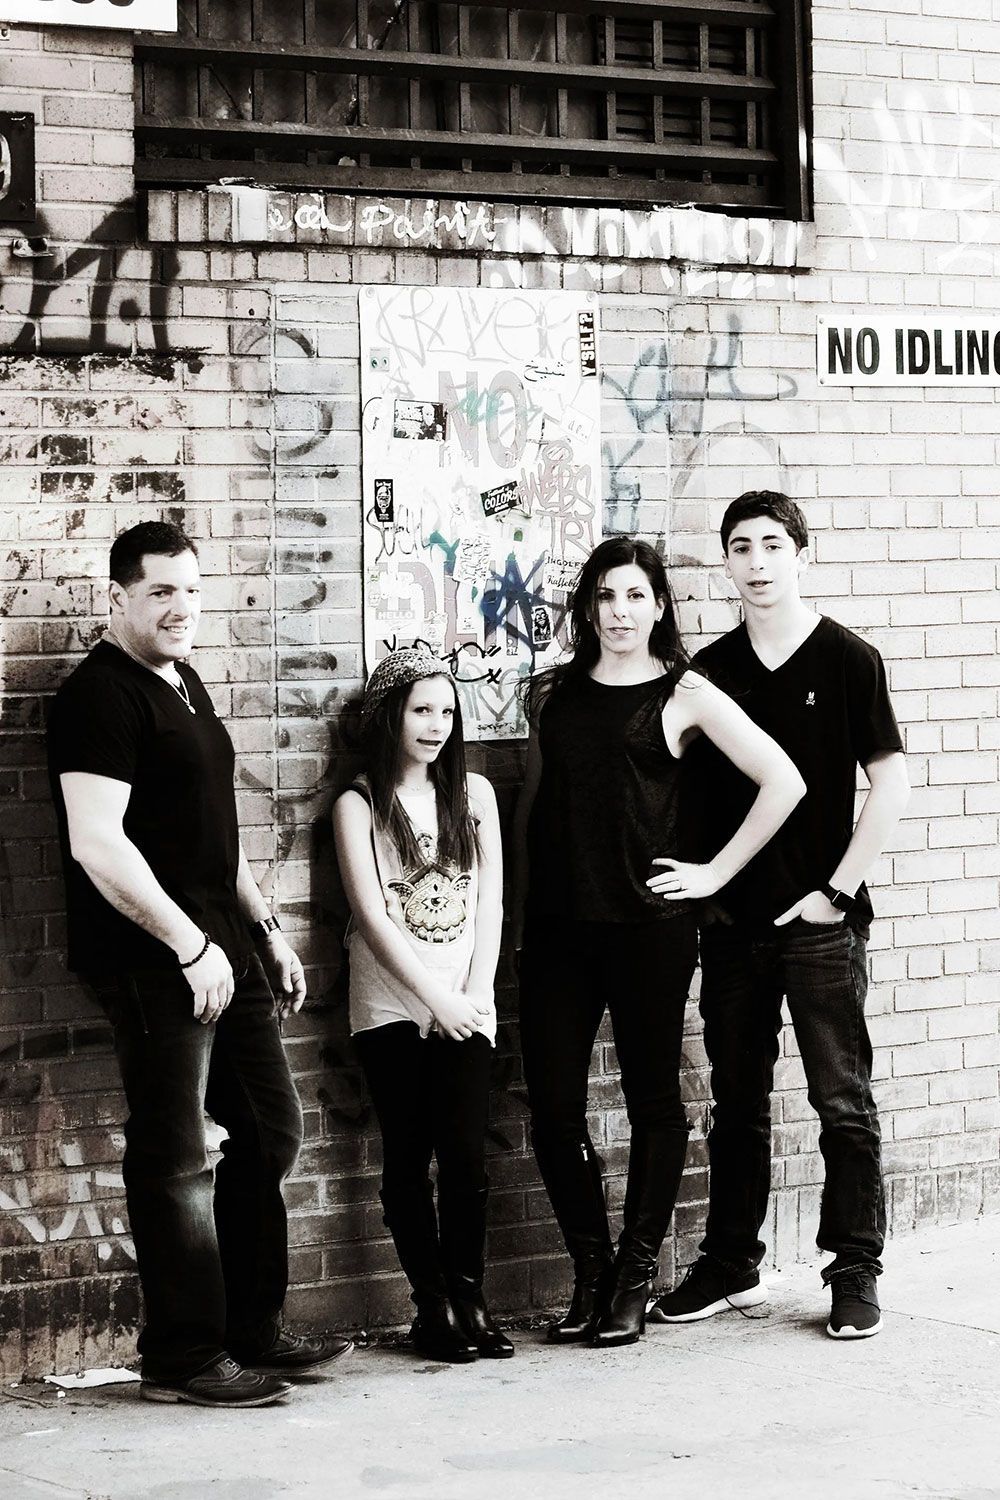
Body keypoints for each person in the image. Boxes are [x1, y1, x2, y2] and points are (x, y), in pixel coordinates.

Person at [46, 521, 353, 1408]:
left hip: (224, 947)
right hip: (154, 962)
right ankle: (181, 1358)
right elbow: (99, 846)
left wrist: (262, 929)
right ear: (117, 599)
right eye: (160, 593)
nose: (182, 608)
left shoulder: (184, 681)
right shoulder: (99, 699)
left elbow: (215, 832)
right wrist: (187, 945)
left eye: (190, 587)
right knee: (178, 1156)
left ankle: (251, 1329)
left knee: (269, 1132)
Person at [512, 536, 805, 1348]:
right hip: (560, 934)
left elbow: (784, 780)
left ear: (660, 605)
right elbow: (536, 811)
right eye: (606, 597)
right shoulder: (551, 694)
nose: (620, 612)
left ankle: (635, 1276)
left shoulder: (687, 693)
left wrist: (713, 874)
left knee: (653, 1103)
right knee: (554, 1112)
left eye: (636, 596)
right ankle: (591, 1270)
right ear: (587, 607)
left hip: (651, 931)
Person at [650, 492, 909, 1340]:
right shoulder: (711, 671)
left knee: (842, 1098)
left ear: (803, 552)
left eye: (771, 544)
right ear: (724, 563)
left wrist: (835, 891)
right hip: (733, 924)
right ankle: (732, 1264)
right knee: (739, 1100)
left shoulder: (848, 659)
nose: (756, 562)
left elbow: (891, 786)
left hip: (822, 922)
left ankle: (854, 1269)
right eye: (739, 547)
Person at [333, 647, 510, 1363]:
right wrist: (431, 996)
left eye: (446, 709)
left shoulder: (475, 795)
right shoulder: (360, 803)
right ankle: (431, 1309)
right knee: (409, 1157)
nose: (436, 724)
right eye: (421, 710)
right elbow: (371, 914)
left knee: (467, 1160)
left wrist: (476, 992)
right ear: (390, 716)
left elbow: (493, 900)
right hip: (391, 1008)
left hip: (466, 1005)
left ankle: (470, 1299)